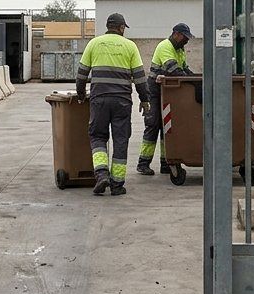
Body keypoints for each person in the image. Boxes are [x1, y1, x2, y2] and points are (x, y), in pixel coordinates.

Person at [76, 12, 147, 196]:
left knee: (98, 136)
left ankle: (101, 175)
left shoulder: (94, 43)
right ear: (121, 27)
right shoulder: (130, 46)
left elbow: (81, 74)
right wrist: (145, 99)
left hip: (99, 99)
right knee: (121, 140)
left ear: (107, 26)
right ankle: (117, 184)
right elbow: (140, 78)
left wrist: (81, 94)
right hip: (122, 101)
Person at [137, 23, 196, 176]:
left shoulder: (179, 49)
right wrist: (192, 82)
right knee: (153, 124)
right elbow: (174, 70)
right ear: (176, 34)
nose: (186, 41)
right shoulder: (165, 46)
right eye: (185, 37)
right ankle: (143, 163)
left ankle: (166, 162)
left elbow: (184, 69)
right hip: (154, 91)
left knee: (167, 127)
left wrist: (195, 79)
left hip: (168, 91)